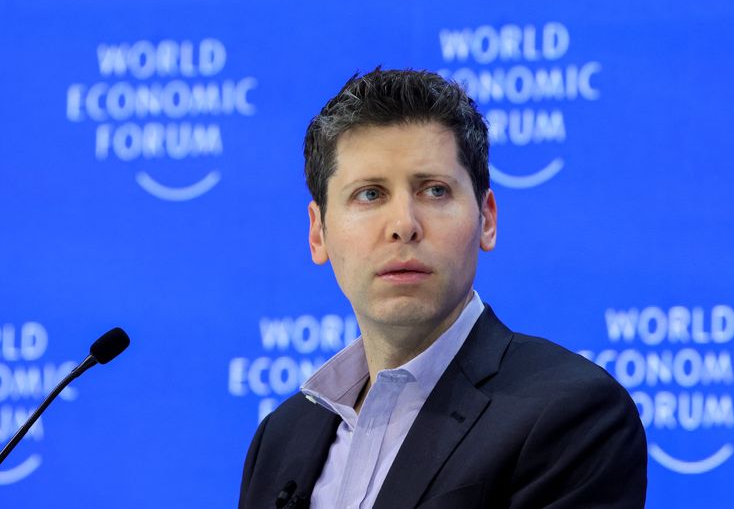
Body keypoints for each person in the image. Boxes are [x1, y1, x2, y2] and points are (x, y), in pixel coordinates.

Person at [239, 68, 647, 509]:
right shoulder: (280, 438)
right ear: (318, 232)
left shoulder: (572, 414)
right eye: (370, 194)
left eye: (434, 190)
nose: (403, 226)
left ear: (486, 219)